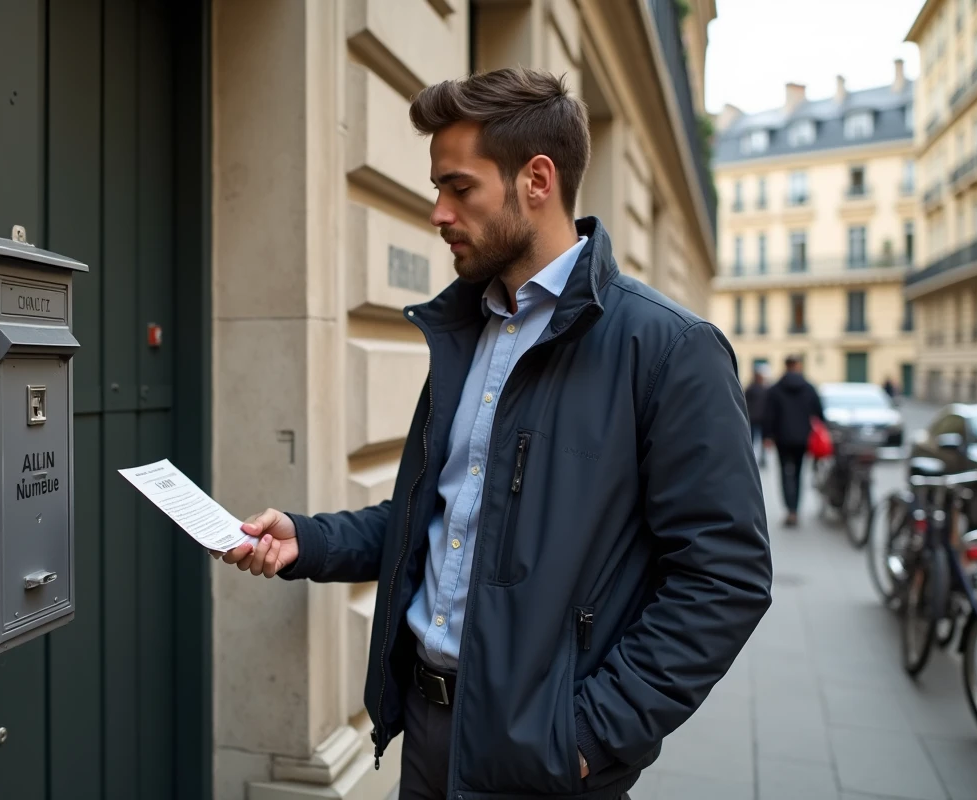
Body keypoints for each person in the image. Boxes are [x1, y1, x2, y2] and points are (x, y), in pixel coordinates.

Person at [218, 67, 772, 800]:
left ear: (536, 180)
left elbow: (725, 575)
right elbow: (439, 523)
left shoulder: (667, 348)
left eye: (459, 188)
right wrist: (307, 540)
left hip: (544, 757)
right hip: (425, 729)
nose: (438, 213)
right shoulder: (469, 329)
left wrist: (589, 736)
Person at [763, 355, 824, 527]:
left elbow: (769, 415)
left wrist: (767, 436)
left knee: (784, 473)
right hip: (802, 438)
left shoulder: (775, 389)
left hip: (782, 438)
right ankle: (795, 509)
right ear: (797, 366)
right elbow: (819, 413)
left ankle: (789, 509)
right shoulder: (809, 387)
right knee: (798, 473)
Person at [744, 367, 770, 468]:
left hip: (754, 418)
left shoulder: (751, 388)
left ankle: (755, 458)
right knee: (758, 440)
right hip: (760, 418)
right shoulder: (765, 389)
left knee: (754, 440)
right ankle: (761, 459)